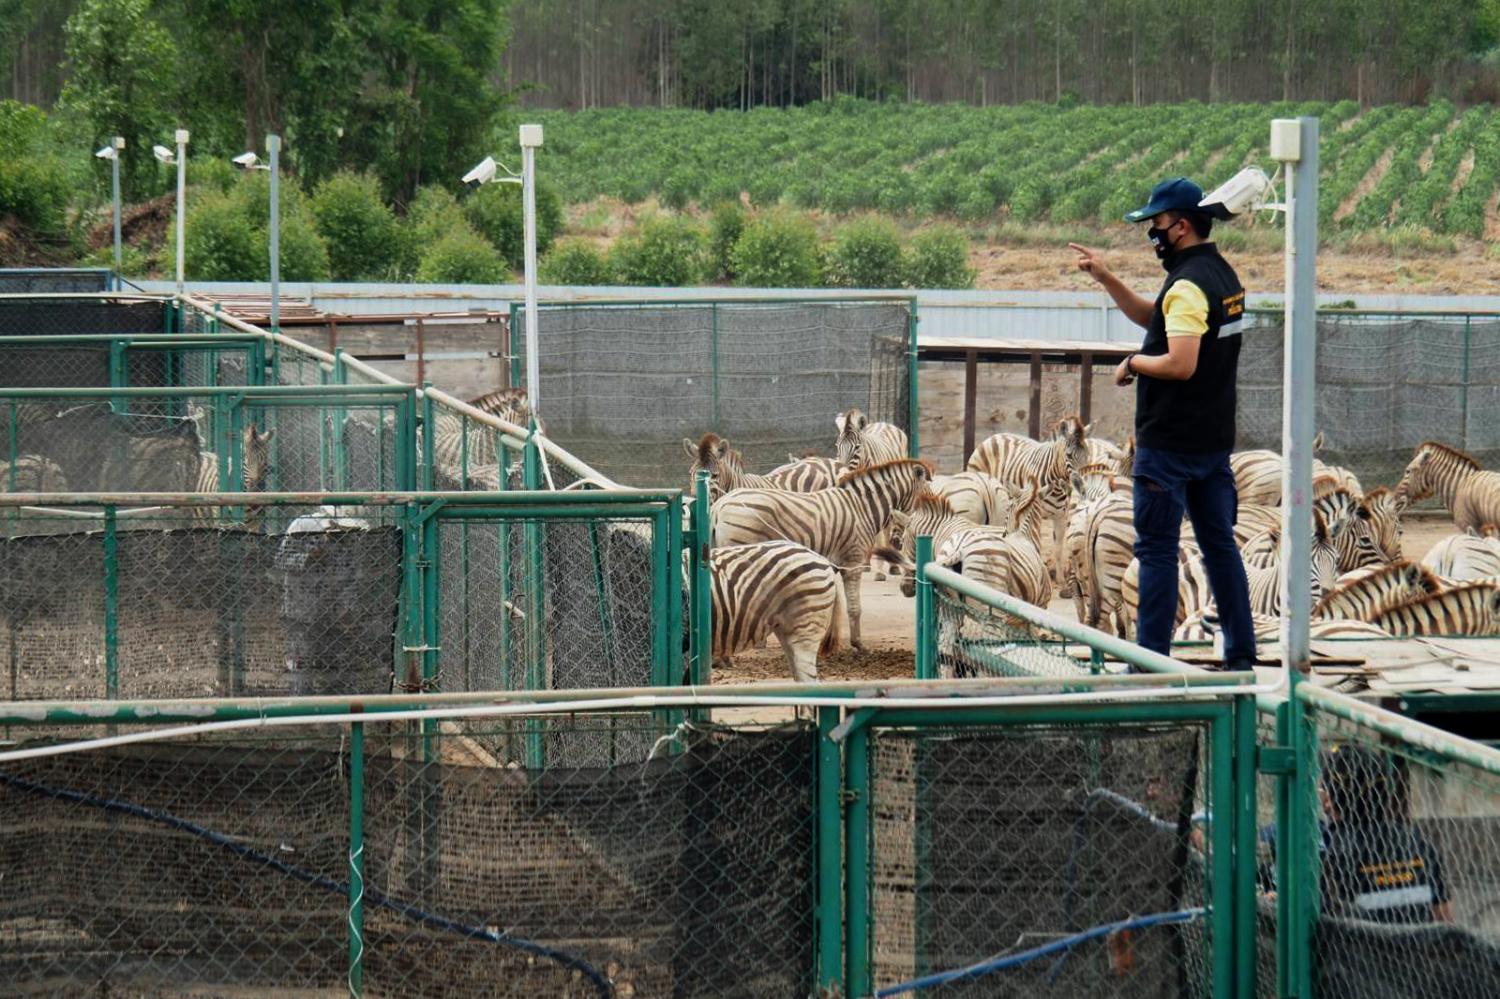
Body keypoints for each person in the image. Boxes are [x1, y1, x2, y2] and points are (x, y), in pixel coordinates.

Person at [1069, 177, 1255, 670]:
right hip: (1211, 443)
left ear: (1182, 225)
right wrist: (1106, 278)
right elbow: (1162, 319)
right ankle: (1241, 656)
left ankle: (1149, 665)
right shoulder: (1219, 276)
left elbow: (1179, 361)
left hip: (1169, 446)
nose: (1152, 233)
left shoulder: (1190, 282)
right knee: (1220, 550)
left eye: (1157, 224)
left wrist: (1133, 364)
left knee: (1155, 553)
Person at [1319, 744, 1453, 924]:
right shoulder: (1419, 842)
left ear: (1332, 798)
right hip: (1417, 947)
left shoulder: (1329, 848)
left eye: (1324, 790)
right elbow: (1443, 919)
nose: (1322, 799)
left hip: (1358, 949)